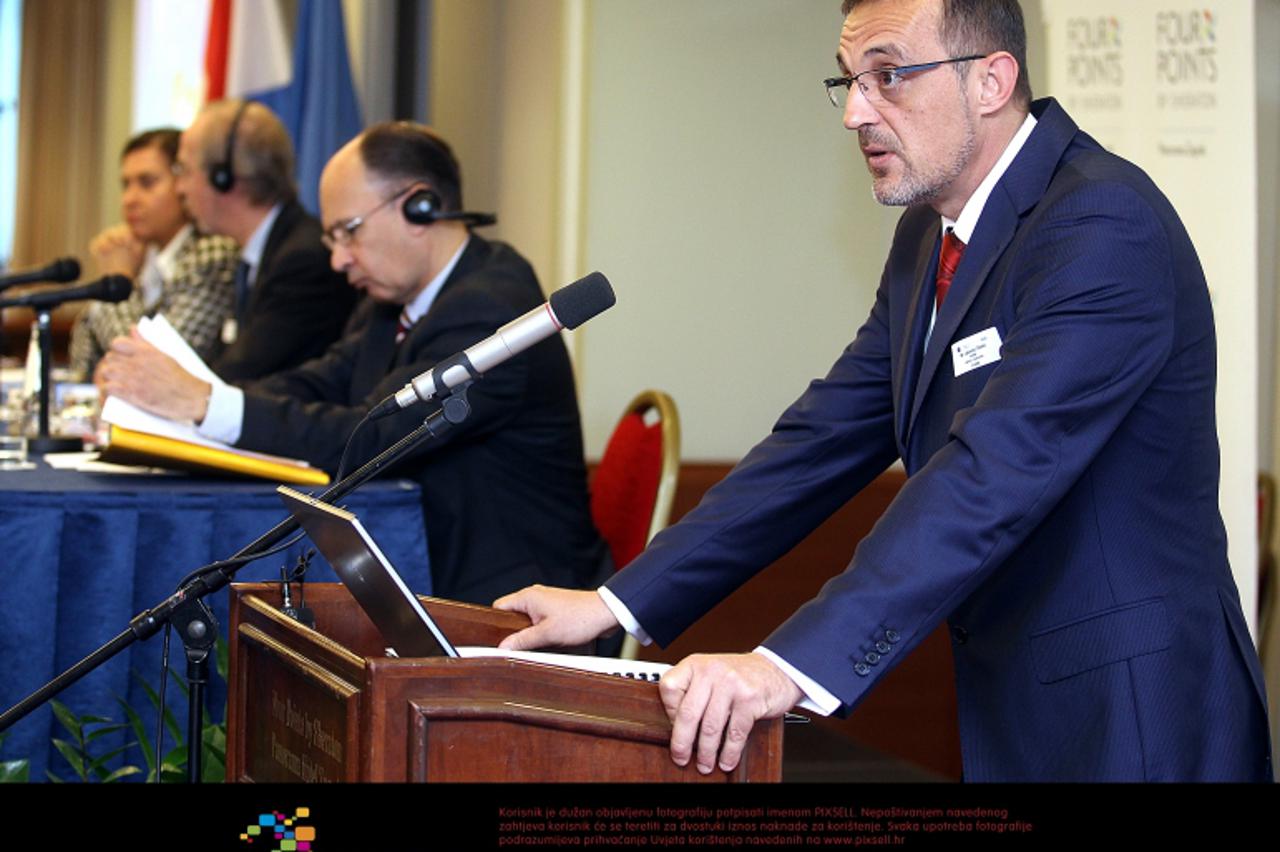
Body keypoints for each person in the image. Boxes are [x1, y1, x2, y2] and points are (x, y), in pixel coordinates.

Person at [494, 0, 1272, 782]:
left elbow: (989, 475)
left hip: (1134, 713)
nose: (856, 113)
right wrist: (614, 603)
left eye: (890, 76)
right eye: (850, 81)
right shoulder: (926, 237)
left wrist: (786, 665)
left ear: (992, 80)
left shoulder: (1100, 224)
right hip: (1015, 697)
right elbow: (816, 445)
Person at [98, 122, 609, 605]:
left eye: (348, 232)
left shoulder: (493, 310)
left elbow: (367, 435)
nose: (338, 259)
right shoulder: (396, 298)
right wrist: (187, 399)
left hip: (509, 602)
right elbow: (321, 379)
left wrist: (205, 402)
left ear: (419, 208)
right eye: (331, 238)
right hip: (425, 566)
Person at [170, 99, 356, 382]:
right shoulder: (260, 253)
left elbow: (239, 376)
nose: (179, 188)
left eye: (184, 171)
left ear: (224, 177)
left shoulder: (302, 263)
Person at [69, 129, 238, 379]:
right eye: (125, 185)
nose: (130, 199)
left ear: (182, 184)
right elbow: (83, 365)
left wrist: (120, 280)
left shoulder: (212, 255)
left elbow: (152, 364)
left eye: (147, 183)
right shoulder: (134, 256)